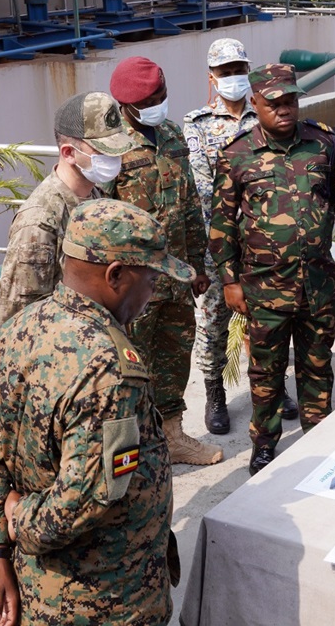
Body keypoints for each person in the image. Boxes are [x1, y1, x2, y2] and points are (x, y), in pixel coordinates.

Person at [0, 198, 194, 626]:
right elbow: (85, 499)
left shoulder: (24, 326)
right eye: (151, 279)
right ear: (115, 275)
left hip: (41, 590)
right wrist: (16, 520)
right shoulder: (109, 369)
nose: (154, 293)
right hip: (106, 600)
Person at [209, 64, 335, 475]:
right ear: (255, 103)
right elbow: (221, 223)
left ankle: (318, 438)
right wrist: (229, 281)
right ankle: (264, 444)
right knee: (265, 373)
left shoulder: (322, 143)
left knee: (317, 366)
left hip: (317, 284)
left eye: (290, 101)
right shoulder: (236, 154)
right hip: (265, 288)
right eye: (274, 104)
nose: (284, 109)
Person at [107, 55, 222, 465]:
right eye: (150, 101)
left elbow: (189, 204)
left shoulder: (171, 135)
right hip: (132, 285)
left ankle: (172, 437)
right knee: (129, 367)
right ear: (127, 104)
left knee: (175, 355)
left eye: (163, 96)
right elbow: (100, 218)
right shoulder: (111, 146)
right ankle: (133, 450)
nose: (159, 105)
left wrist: (197, 267)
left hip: (175, 277)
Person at [183, 38, 298, 434]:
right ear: (212, 77)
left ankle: (274, 387)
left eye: (238, 70)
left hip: (263, 244)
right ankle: (214, 393)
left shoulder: (263, 112)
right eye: (225, 71)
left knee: (268, 321)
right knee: (213, 322)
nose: (233, 77)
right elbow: (203, 188)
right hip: (219, 243)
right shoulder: (197, 124)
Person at [0, 91, 136, 325]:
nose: (114, 159)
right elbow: (17, 316)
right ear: (69, 153)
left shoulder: (95, 196)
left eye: (117, 151)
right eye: (103, 152)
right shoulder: (39, 220)